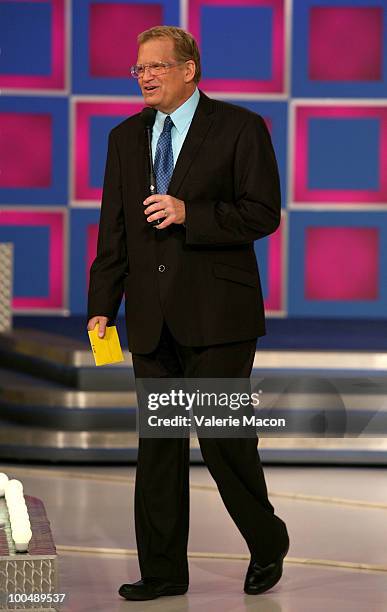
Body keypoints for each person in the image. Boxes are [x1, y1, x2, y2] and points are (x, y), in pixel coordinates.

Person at [87, 25, 289, 601]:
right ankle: (163, 572)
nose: (144, 77)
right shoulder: (125, 138)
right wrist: (103, 306)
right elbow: (114, 232)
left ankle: (267, 540)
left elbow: (261, 213)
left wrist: (187, 213)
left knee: (225, 443)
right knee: (159, 451)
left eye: (155, 67)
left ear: (188, 70)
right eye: (138, 69)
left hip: (219, 316)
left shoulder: (239, 127)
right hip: (152, 321)